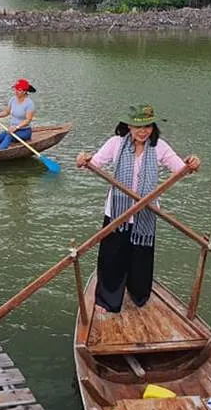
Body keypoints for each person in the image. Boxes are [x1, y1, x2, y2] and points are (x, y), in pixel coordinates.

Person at [75, 104, 201, 313]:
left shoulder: (159, 147)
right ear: (128, 126)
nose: (143, 131)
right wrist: (83, 159)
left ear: (153, 127)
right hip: (117, 211)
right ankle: (108, 300)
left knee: (140, 257)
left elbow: (181, 169)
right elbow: (94, 163)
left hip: (145, 213)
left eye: (147, 126)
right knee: (112, 256)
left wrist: (193, 163)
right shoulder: (116, 143)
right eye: (137, 126)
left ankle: (139, 295)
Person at [0, 78, 37, 152]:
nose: (16, 92)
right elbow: (6, 112)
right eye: (15, 89)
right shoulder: (13, 99)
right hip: (12, 130)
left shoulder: (29, 103)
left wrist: (16, 127)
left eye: (19, 90)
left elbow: (28, 120)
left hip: (24, 131)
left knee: (9, 136)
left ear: (24, 91)